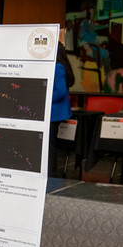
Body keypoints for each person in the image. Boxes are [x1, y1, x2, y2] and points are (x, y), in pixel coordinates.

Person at [48, 32, 75, 177]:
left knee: (50, 146)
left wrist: (45, 98)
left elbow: (61, 91)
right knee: (51, 145)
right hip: (55, 112)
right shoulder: (59, 64)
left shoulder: (58, 66)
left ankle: (51, 174)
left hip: (54, 112)